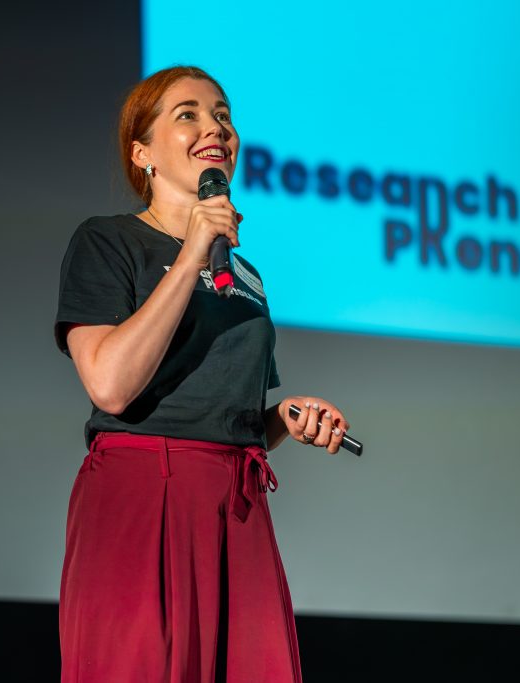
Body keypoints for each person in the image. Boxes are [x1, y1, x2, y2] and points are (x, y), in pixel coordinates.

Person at [53, 65, 350, 683]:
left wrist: (282, 418)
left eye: (222, 115)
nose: (215, 127)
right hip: (144, 492)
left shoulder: (246, 276)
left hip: (236, 504)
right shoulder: (109, 242)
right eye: (187, 114)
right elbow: (110, 384)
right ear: (142, 154)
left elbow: (222, 415)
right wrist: (191, 253)